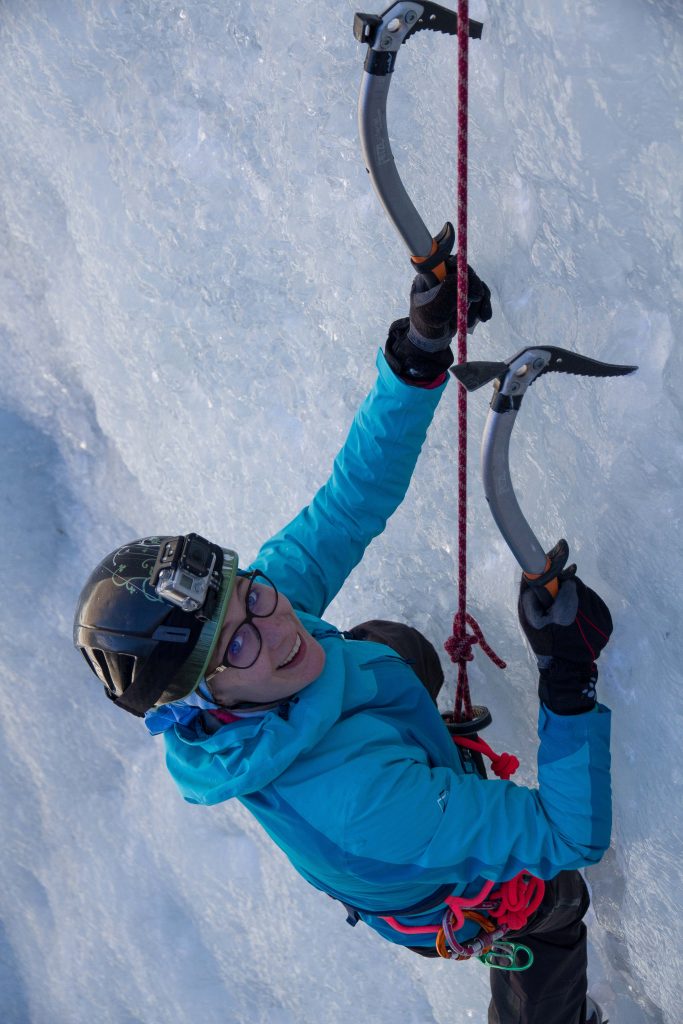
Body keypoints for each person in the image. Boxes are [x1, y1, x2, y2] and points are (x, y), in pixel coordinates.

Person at [74, 263, 612, 1024]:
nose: (274, 626)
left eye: (250, 594)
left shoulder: (262, 619)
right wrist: (566, 676)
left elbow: (350, 501)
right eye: (234, 650)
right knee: (555, 905)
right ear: (210, 702)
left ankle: (422, 747)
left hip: (382, 772)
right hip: (426, 870)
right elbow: (570, 835)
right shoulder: (364, 803)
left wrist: (417, 353)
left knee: (391, 648)